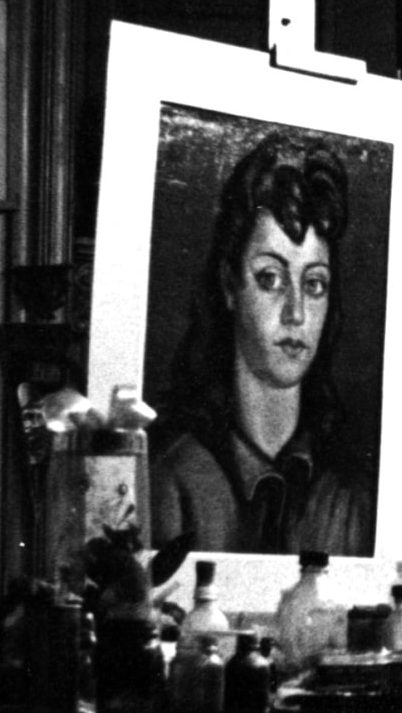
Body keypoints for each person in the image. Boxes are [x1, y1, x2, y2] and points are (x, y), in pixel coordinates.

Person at [152, 132, 375, 556]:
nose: (296, 313)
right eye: (270, 278)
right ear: (229, 285)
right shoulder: (175, 478)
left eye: (314, 284)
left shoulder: (348, 494)